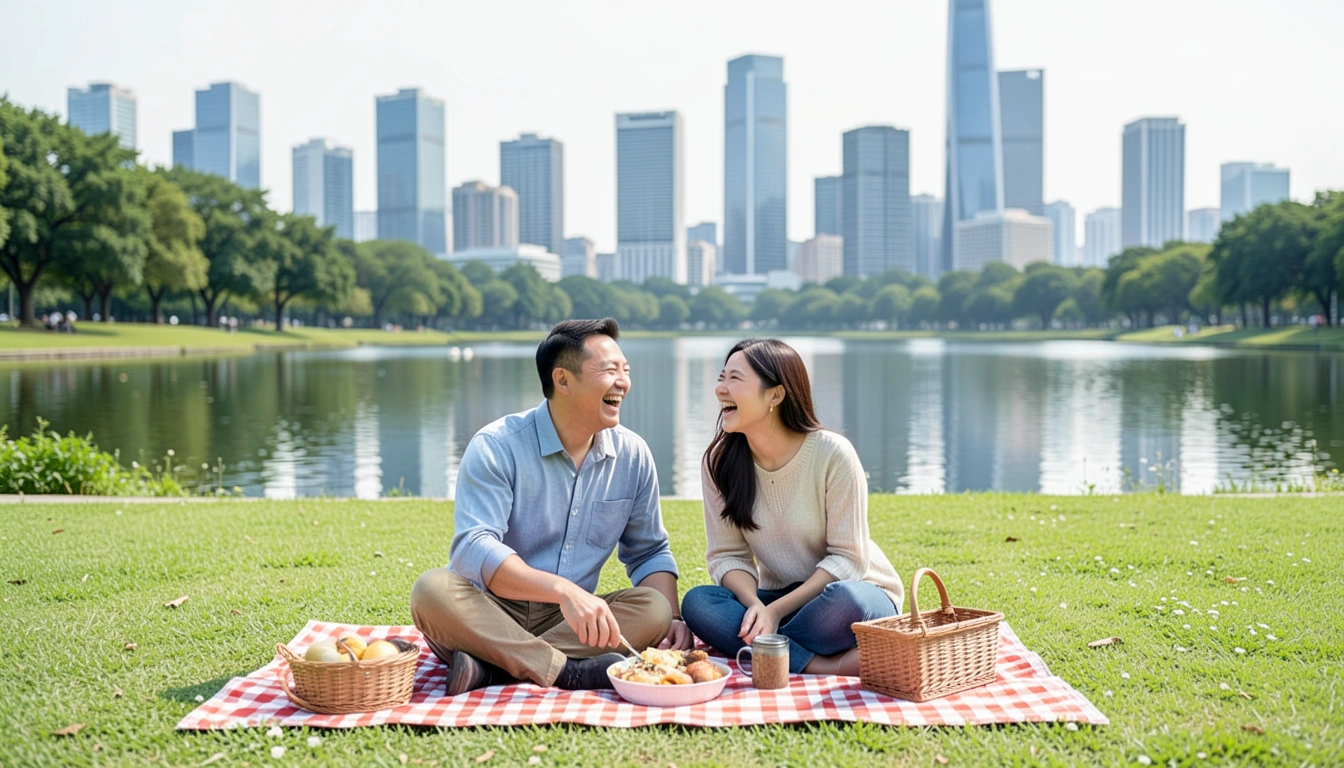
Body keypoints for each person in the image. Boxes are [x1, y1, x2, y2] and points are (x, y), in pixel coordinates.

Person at [411, 318, 693, 695]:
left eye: (626, 370)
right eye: (610, 370)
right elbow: (474, 546)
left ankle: (494, 668)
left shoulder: (633, 454)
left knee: (653, 609)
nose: (623, 382)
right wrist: (562, 590)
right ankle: (568, 672)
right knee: (431, 590)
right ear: (562, 380)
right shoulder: (497, 445)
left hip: (570, 625)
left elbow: (649, 551)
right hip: (488, 612)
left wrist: (672, 616)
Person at [681, 339, 904, 677]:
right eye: (721, 377)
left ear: (776, 395)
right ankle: (823, 664)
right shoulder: (719, 462)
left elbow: (850, 560)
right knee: (699, 604)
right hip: (778, 598)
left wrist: (775, 613)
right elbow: (727, 556)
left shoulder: (833, 454)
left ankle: (769, 647)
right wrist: (757, 606)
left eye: (734, 379)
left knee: (846, 603)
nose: (720, 390)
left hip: (858, 591)